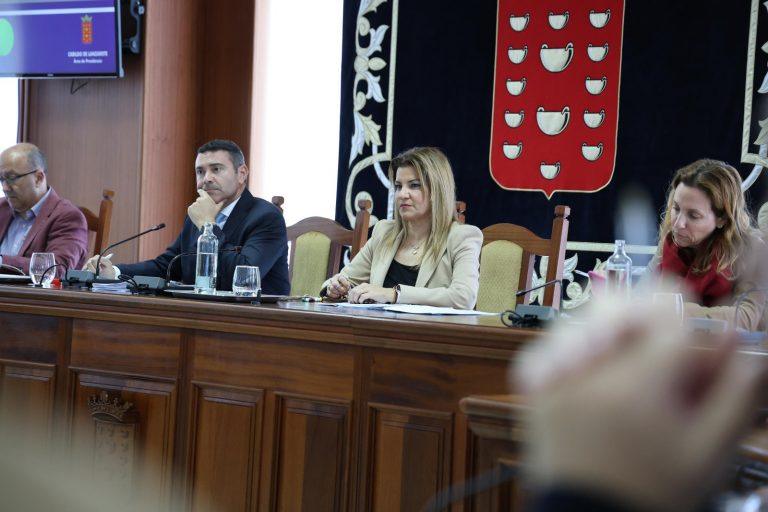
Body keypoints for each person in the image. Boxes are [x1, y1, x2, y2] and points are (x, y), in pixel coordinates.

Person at [517, 296, 767, 512]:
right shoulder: (667, 251)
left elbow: (743, 319)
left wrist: (579, 492)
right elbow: (643, 302)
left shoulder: (747, 252)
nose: (676, 236)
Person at [84, 139, 290, 294]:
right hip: (201, 316)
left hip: (253, 323)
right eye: (200, 172)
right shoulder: (198, 216)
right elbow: (167, 266)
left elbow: (241, 279)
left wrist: (208, 227)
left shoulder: (266, 218)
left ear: (242, 173)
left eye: (216, 169)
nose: (206, 179)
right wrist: (115, 273)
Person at [323, 147, 482, 309]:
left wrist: (393, 294)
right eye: (398, 186)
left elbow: (464, 297)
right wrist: (336, 287)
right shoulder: (384, 232)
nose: (402, 194)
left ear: (437, 191)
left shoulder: (462, 237)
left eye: (414, 185)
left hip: (429, 333)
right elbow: (345, 279)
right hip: (375, 331)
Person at [648, 159, 766, 330]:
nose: (678, 223)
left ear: (722, 219)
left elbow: (746, 317)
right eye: (676, 208)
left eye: (693, 215)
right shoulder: (671, 240)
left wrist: (679, 310)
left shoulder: (754, 249)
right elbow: (644, 295)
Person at [0, 143, 88, 275]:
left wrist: (2, 261)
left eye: (12, 178)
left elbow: (56, 269)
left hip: (27, 295)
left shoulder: (68, 217)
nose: (5, 188)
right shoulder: (2, 208)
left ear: (38, 178)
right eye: (1, 179)